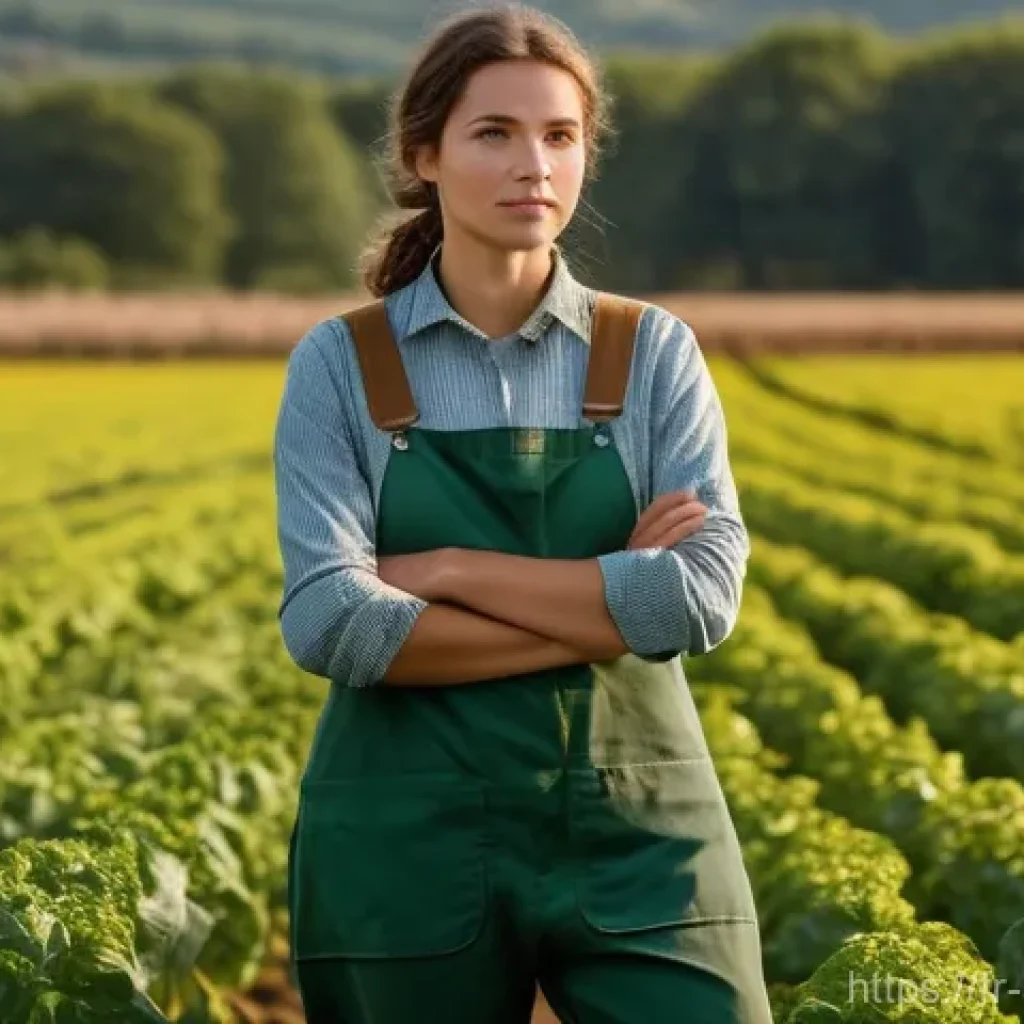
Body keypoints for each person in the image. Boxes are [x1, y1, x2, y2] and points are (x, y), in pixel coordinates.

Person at [272, 4, 774, 1022]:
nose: (532, 166)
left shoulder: (652, 353)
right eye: (494, 133)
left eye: (559, 135)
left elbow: (697, 600)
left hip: (642, 824)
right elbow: (333, 622)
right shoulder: (341, 363)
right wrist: (606, 611)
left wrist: (449, 571)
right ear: (425, 155)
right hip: (403, 839)